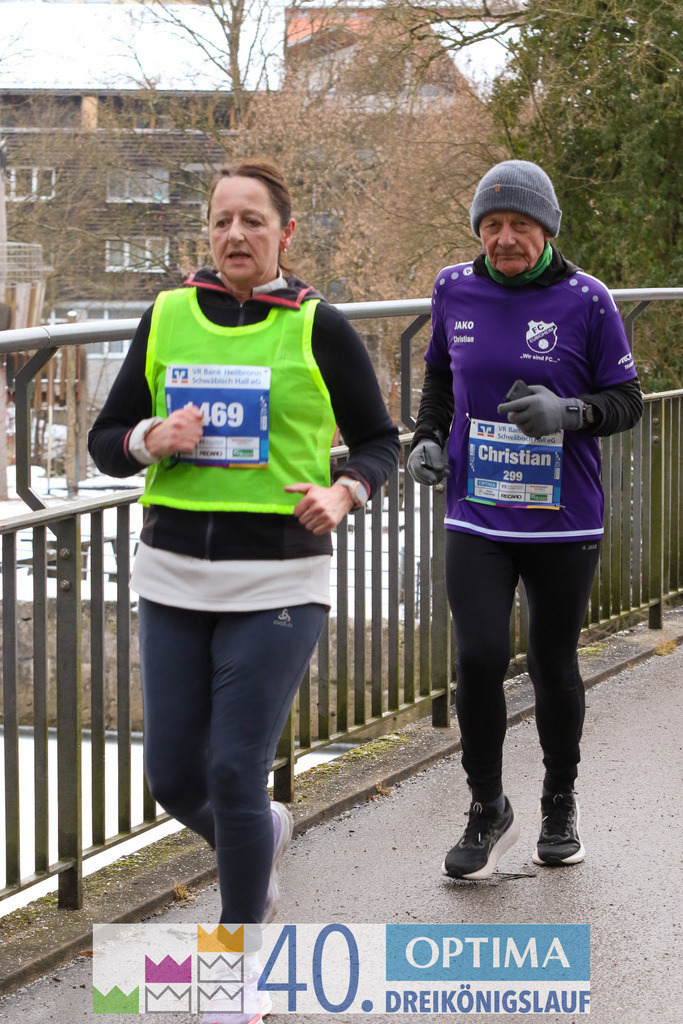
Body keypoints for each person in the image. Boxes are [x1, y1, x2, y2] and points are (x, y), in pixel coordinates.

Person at [88, 159, 399, 1024]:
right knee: (173, 780)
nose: (234, 236)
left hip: (280, 577)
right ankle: (262, 833)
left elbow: (379, 440)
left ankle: (240, 968)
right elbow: (103, 438)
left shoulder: (319, 326)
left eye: (252, 222)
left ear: (284, 235)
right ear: (207, 230)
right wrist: (154, 438)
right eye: (222, 220)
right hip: (174, 576)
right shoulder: (166, 314)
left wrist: (345, 493)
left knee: (232, 767)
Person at [408, 160, 642, 881]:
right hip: (478, 511)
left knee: (551, 663)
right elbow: (440, 379)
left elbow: (626, 399)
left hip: (562, 518)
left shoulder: (587, 299)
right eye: (491, 225)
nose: (503, 238)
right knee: (477, 657)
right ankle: (486, 809)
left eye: (519, 226)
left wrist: (568, 414)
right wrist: (424, 437)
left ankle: (558, 802)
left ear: (545, 231)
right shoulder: (453, 286)